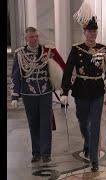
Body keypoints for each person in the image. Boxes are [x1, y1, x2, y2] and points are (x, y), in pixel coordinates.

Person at [61, 2, 106, 172]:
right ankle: (87, 140)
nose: (92, 34)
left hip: (97, 89)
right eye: (90, 31)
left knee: (96, 123)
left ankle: (94, 159)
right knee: (83, 122)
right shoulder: (77, 49)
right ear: (84, 32)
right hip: (81, 90)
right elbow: (68, 70)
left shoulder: (103, 49)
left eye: (95, 31)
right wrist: (64, 91)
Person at [10, 26, 65, 163]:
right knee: (33, 123)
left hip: (45, 92)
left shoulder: (48, 51)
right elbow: (16, 76)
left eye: (36, 36)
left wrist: (63, 89)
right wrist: (14, 96)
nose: (34, 39)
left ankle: (46, 153)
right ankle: (36, 152)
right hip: (28, 94)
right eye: (31, 37)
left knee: (45, 123)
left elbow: (62, 66)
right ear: (26, 38)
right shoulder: (20, 54)